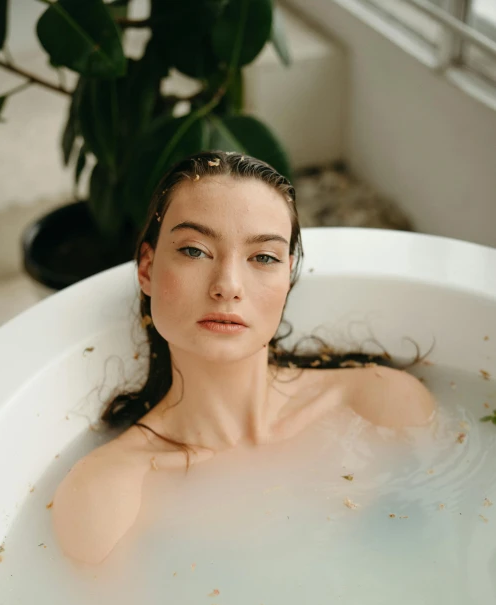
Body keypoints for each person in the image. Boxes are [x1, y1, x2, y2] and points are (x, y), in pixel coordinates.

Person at [52, 151, 435, 565]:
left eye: (263, 257)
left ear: (288, 276)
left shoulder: (380, 403)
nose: (228, 286)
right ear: (146, 268)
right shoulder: (107, 491)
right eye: (195, 250)